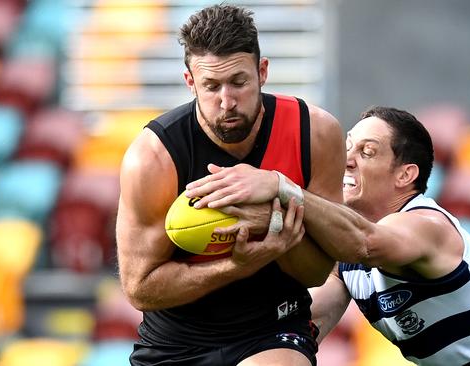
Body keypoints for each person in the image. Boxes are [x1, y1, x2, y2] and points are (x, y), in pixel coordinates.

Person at [185, 106, 470, 365]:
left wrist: (281, 187)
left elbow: (366, 243)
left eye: (366, 151)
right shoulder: (344, 257)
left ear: (405, 175)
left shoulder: (425, 225)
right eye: (348, 146)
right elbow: (307, 324)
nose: (346, 159)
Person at [115, 4, 346, 366]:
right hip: (175, 342)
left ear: (262, 72)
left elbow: (317, 273)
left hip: (273, 326)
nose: (227, 102)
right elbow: (140, 288)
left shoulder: (313, 133)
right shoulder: (154, 157)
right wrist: (239, 264)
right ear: (190, 82)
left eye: (239, 82)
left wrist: (274, 222)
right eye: (211, 86)